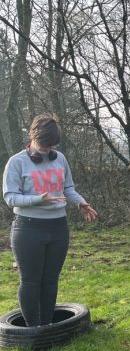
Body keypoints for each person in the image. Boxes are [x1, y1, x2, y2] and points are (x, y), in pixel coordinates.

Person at [2, 114, 98, 327]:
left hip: (58, 227)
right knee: (31, 281)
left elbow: (68, 189)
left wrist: (81, 203)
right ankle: (31, 330)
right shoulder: (16, 162)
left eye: (51, 145)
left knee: (50, 280)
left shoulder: (60, 159)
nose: (47, 149)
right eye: (43, 144)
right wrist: (39, 199)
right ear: (32, 136)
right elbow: (10, 197)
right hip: (28, 228)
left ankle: (47, 326)